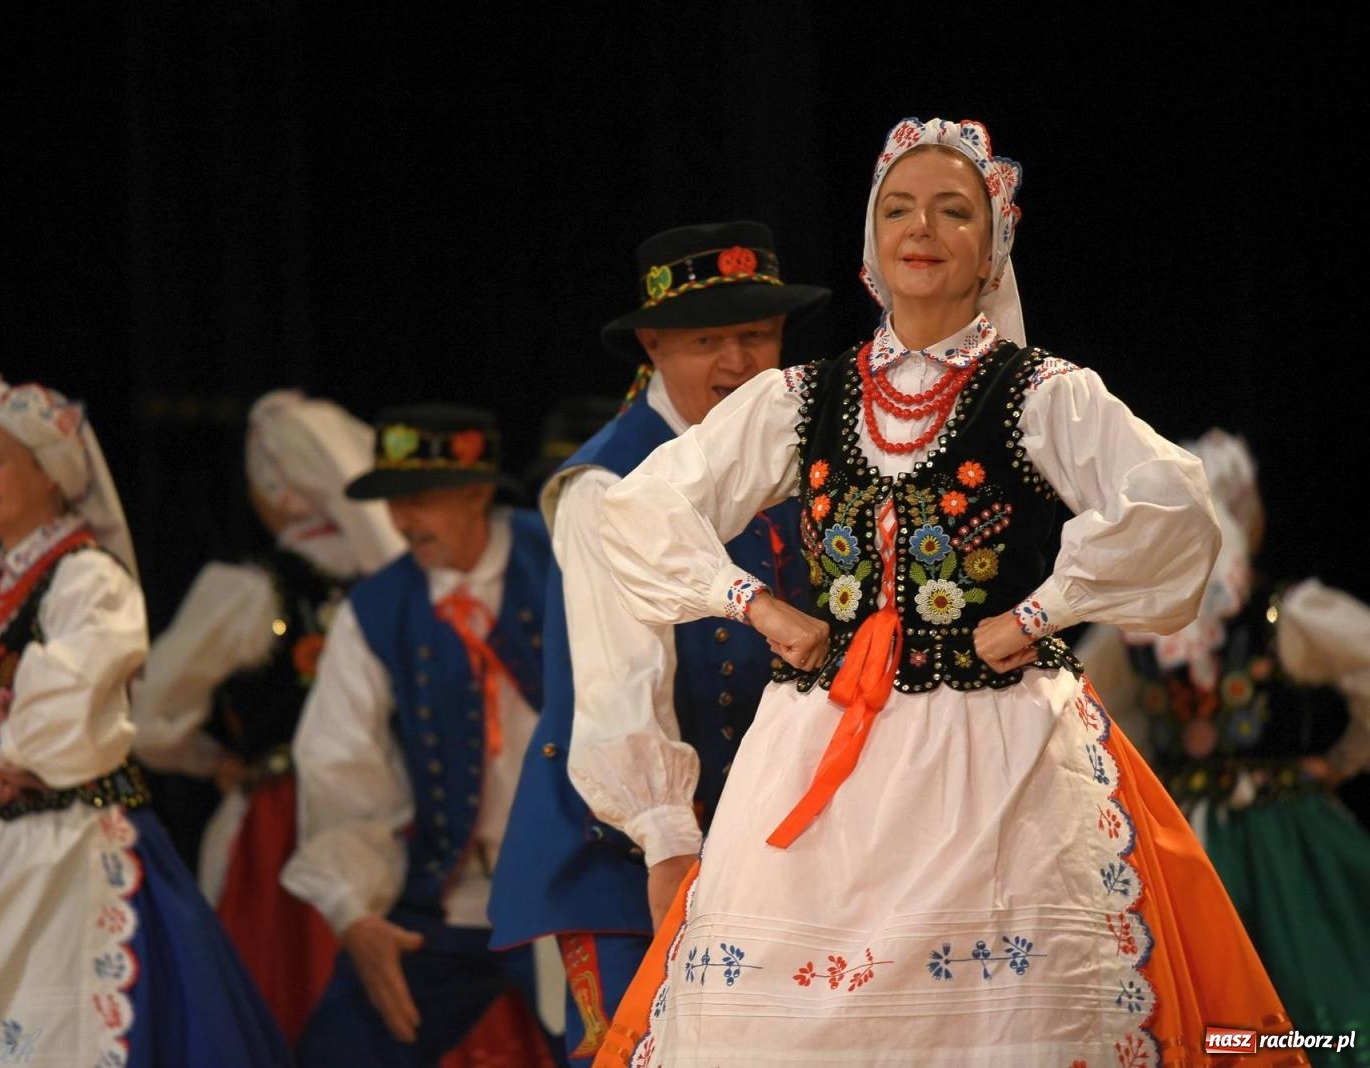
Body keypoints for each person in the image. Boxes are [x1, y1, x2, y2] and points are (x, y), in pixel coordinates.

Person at [590, 120, 1293, 1066]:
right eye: (898, 208)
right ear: (872, 242)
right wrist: (752, 602)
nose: (921, 227)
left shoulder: (1042, 392)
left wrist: (1038, 614)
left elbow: (1172, 503)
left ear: (992, 242)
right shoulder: (804, 395)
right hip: (819, 741)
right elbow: (636, 512)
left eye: (953, 210)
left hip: (994, 749)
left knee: (999, 1017)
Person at [0, 376, 290, 1067]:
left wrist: (13, 752)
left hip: (64, 847)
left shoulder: (88, 579)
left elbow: (81, 685)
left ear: (50, 471)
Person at [489, 220, 828, 1062]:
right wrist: (671, 848)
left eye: (757, 335)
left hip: (777, 848)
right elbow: (616, 685)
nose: (738, 362)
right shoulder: (608, 484)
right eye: (706, 339)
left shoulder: (798, 457)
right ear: (652, 344)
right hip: (632, 857)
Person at [282, 403, 563, 1067]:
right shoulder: (380, 610)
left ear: (476, 490)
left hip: (572, 890)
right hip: (449, 901)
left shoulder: (563, 557)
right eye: (393, 503)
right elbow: (337, 763)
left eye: (421, 498)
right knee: (338, 1054)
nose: (403, 522)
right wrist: (355, 912)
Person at [1078, 427, 1370, 1045]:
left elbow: (1089, 715)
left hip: (1179, 832)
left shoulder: (1133, 627)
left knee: (1197, 991)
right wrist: (1343, 761)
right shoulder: (1286, 614)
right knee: (1301, 981)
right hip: (1278, 826)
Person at [130, 388, 403, 1042]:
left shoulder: (250, 590)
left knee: (275, 1003)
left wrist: (213, 761)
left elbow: (145, 711)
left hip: (282, 828)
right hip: (396, 815)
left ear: (276, 487)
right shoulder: (396, 582)